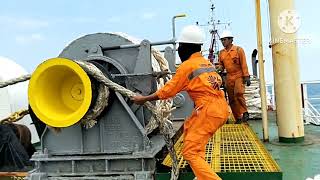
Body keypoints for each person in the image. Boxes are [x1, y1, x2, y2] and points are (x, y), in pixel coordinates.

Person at [132, 25, 229, 180]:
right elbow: (189, 78)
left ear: (186, 47)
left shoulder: (187, 66)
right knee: (190, 129)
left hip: (208, 110)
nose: (179, 50)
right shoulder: (206, 63)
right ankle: (201, 174)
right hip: (220, 108)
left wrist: (143, 99)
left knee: (190, 152)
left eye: (180, 46)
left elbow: (167, 92)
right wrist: (163, 74)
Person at [217, 30, 251, 124]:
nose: (223, 42)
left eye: (225, 40)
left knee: (238, 93)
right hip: (229, 76)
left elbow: (244, 63)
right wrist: (218, 69)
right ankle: (238, 118)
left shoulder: (239, 50)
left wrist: (246, 76)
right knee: (231, 99)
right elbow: (221, 65)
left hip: (239, 75)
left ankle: (244, 112)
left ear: (231, 40)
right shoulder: (221, 53)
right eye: (222, 40)